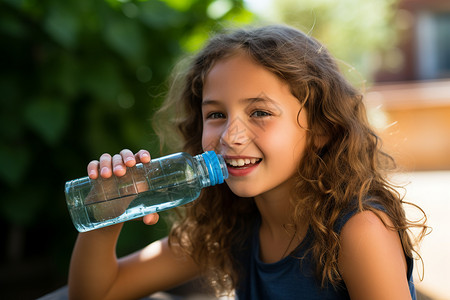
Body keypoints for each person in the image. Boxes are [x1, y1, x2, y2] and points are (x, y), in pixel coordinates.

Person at [68, 24, 428, 300]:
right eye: (216, 115)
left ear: (322, 128)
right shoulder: (230, 227)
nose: (230, 135)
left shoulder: (359, 229)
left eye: (259, 112)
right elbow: (98, 293)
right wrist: (107, 215)